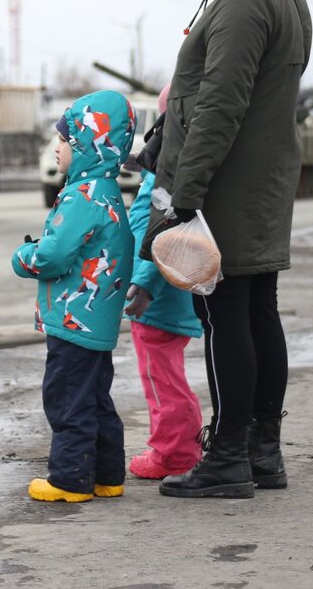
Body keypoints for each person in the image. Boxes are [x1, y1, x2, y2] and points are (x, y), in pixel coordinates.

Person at [141, 0, 312, 500]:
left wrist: (183, 195)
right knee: (257, 311)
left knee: (224, 317)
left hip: (226, 189)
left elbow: (219, 105)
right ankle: (262, 451)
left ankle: (229, 456)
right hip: (259, 182)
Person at [12, 89, 137, 502]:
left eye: (64, 141)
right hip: (95, 320)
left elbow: (52, 255)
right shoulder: (107, 193)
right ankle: (106, 476)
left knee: (66, 398)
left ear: (86, 144)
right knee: (95, 398)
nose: (57, 150)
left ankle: (69, 480)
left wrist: (23, 256)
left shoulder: (81, 197)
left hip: (73, 319)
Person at [123, 84, 204, 480]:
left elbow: (161, 228)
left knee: (162, 378)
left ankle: (173, 453)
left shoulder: (173, 168)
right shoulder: (175, 159)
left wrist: (144, 283)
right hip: (168, 288)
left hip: (160, 294)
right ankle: (180, 446)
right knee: (166, 373)